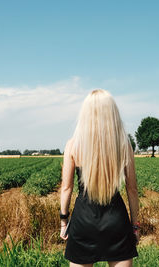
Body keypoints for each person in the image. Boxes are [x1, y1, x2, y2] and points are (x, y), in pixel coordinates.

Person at [60, 89, 140, 267]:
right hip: (116, 222)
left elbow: (66, 188)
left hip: (83, 222)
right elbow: (132, 190)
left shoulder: (73, 145)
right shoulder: (124, 144)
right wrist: (135, 226)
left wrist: (63, 222)